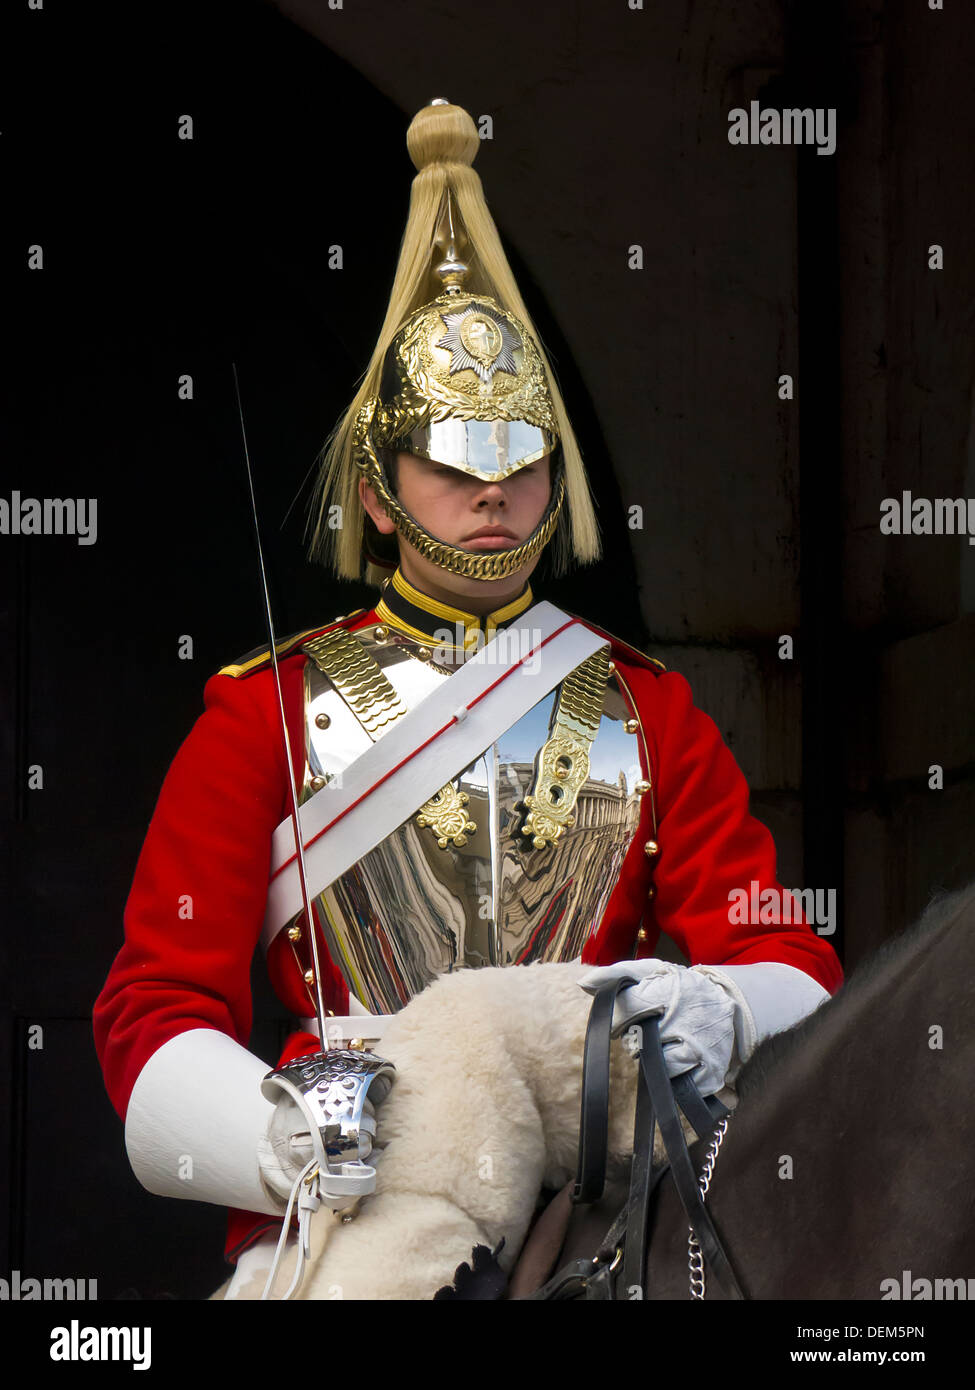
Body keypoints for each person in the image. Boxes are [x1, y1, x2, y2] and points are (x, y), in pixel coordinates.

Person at [93, 99, 842, 1299]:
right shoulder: (262, 716)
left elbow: (786, 956)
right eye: (451, 461)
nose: (492, 493)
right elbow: (152, 1008)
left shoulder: (650, 712)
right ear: (381, 492)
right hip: (360, 1198)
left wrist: (719, 1007)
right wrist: (275, 1131)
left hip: (617, 1201)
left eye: (521, 460)